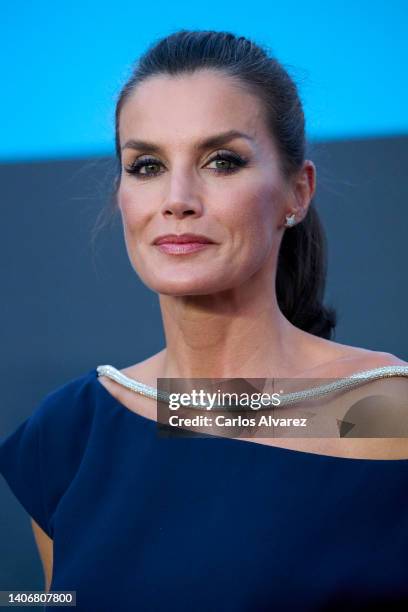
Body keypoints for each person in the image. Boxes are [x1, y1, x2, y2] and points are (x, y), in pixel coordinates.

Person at [1, 29, 408, 611]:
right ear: (121, 195)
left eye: (222, 161)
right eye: (145, 166)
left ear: (298, 191)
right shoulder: (70, 434)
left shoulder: (386, 414)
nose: (178, 198)